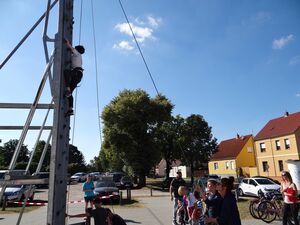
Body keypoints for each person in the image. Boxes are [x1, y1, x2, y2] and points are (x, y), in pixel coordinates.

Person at [64, 38, 85, 116]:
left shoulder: (77, 54)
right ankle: (70, 109)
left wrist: (67, 42)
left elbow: (71, 48)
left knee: (66, 72)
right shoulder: (78, 57)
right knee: (69, 94)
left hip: (76, 73)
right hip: (78, 75)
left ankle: (68, 88)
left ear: (77, 50)